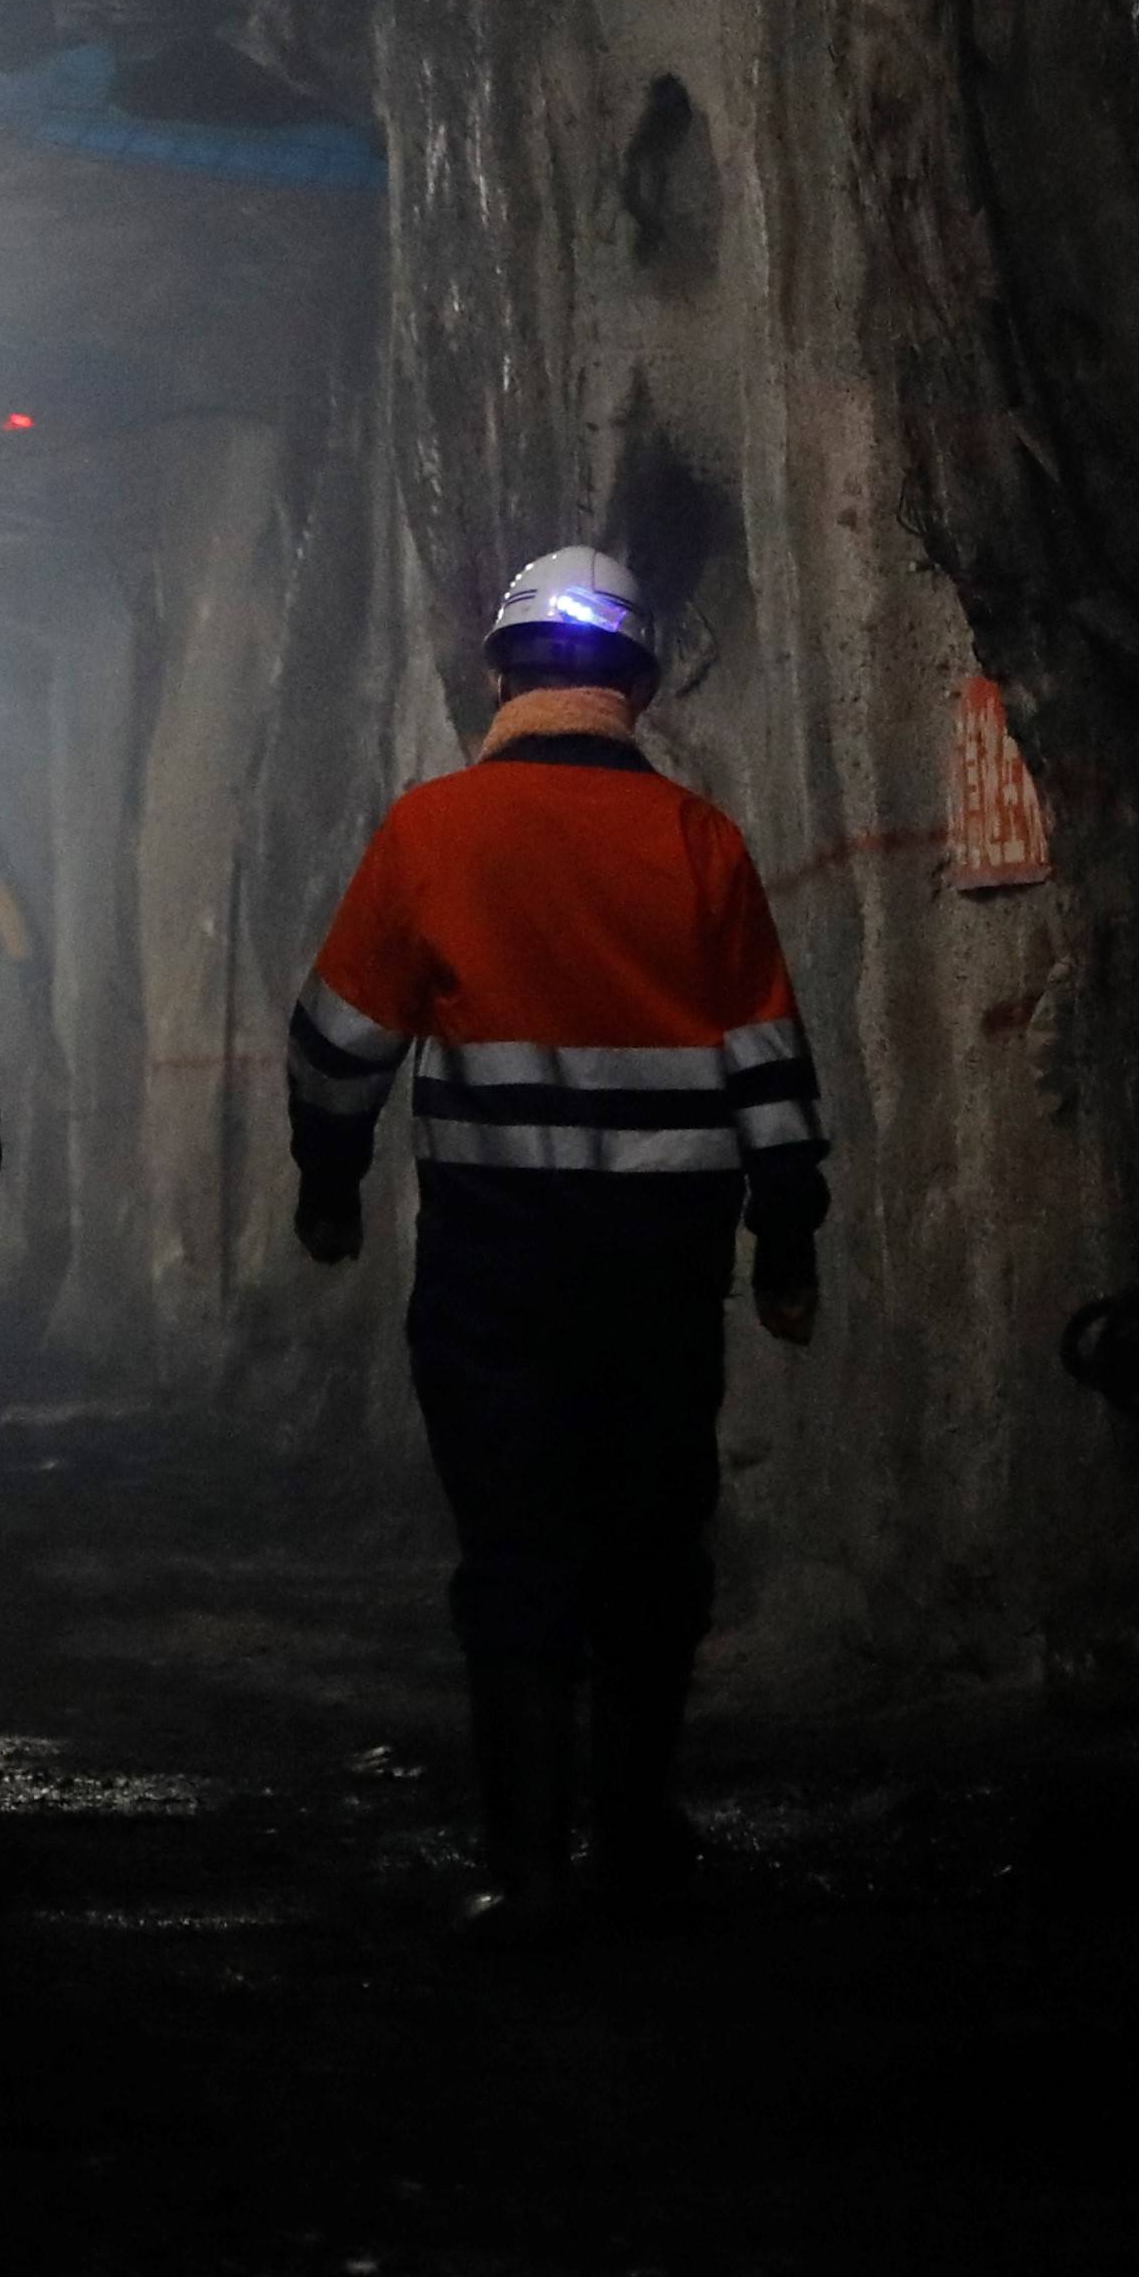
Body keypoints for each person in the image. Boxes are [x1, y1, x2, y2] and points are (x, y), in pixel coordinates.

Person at [282, 546, 827, 1934]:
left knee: (519, 1542)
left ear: (498, 678)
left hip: (497, 1257)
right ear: (637, 685)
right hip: (661, 1260)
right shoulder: (697, 841)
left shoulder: (432, 831)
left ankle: (524, 1869)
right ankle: (633, 1831)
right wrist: (787, 1235)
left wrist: (327, 1177)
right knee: (650, 1538)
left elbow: (341, 1043)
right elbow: (766, 1055)